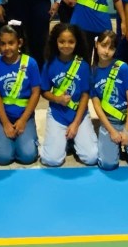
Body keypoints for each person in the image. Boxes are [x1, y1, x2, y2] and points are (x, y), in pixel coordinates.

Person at [39, 23, 97, 167]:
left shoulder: (83, 66)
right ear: (55, 42)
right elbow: (44, 91)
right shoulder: (49, 64)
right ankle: (62, 140)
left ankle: (72, 139)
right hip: (57, 114)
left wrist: (76, 124)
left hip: (78, 115)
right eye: (62, 41)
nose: (66, 45)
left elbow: (85, 95)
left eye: (71, 42)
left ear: (77, 43)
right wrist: (57, 99)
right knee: (52, 160)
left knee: (91, 157)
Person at [92, 30, 128, 171]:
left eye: (111, 48)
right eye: (103, 45)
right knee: (108, 164)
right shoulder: (92, 73)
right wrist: (112, 131)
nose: (106, 51)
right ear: (96, 44)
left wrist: (127, 130)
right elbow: (97, 106)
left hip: (127, 119)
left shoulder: (122, 68)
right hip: (109, 121)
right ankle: (113, 146)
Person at [0, 21, 41, 165]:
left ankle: (21, 141)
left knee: (28, 156)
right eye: (2, 44)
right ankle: (0, 141)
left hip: (25, 115)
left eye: (11, 43)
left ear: (20, 43)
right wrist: (5, 123)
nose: (7, 48)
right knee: (3, 158)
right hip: (2, 116)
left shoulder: (31, 63)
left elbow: (36, 93)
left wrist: (23, 120)